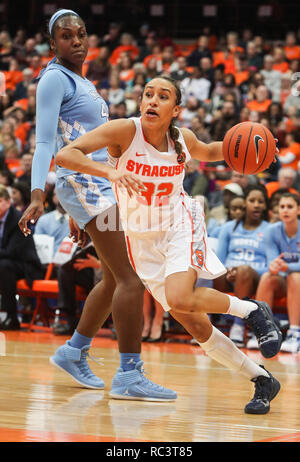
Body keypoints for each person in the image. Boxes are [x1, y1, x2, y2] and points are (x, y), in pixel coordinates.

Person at [55, 75, 282, 414]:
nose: (152, 100)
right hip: (141, 239)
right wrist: (110, 172)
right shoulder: (123, 131)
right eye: (148, 94)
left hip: (179, 224)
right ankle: (261, 379)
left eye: (162, 96)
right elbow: (65, 155)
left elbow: (218, 150)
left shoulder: (182, 140)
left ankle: (252, 310)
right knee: (193, 320)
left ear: (175, 109)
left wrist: (261, 149)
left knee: (179, 297)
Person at [18, 9, 176, 402]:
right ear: (52, 43)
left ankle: (74, 351)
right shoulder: (54, 78)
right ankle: (129, 374)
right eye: (66, 36)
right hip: (84, 183)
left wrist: (76, 210)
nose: (76, 41)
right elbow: (43, 144)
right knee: (129, 278)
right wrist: (39, 193)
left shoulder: (80, 80)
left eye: (81, 34)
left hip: (95, 185)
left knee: (112, 278)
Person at [214, 184, 270, 347]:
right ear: (245, 203)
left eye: (261, 201)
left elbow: (270, 266)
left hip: (255, 278)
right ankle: (206, 324)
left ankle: (238, 326)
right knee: (207, 271)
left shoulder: (269, 230)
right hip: (228, 275)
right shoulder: (228, 228)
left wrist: (243, 271)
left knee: (244, 271)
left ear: (265, 205)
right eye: (252, 200)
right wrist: (227, 271)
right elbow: (219, 259)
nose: (257, 204)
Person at [255, 193, 300, 353]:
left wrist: (288, 267)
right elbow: (271, 261)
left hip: (295, 279)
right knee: (267, 277)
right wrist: (274, 267)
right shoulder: (271, 231)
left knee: (295, 276)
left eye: (290, 207)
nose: (285, 210)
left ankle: (295, 333)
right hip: (285, 280)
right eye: (282, 207)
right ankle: (264, 331)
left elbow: (291, 269)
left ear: (298, 210)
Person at [0, 185, 42, 330]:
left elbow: (12, 251)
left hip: (25, 265)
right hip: (6, 262)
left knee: (4, 266)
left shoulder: (18, 218)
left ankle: (11, 317)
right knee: (4, 265)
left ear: (7, 201)